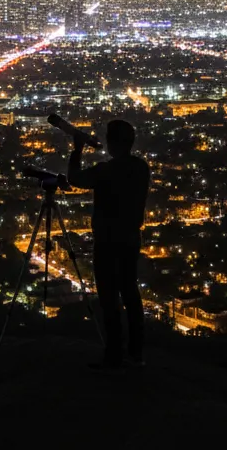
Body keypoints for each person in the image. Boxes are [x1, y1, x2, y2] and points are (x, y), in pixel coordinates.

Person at [68, 118, 149, 368]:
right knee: (130, 293)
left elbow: (75, 179)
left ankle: (114, 352)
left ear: (112, 143)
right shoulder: (141, 168)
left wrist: (78, 149)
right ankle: (136, 352)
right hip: (130, 239)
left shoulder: (105, 171)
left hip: (107, 240)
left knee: (109, 297)